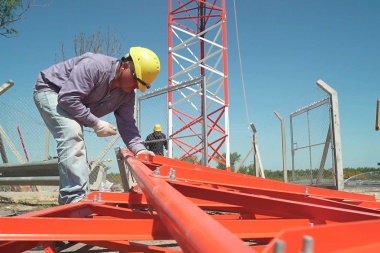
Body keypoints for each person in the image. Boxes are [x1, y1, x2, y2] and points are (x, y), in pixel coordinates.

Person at [33, 46, 160, 205]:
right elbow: (68, 99)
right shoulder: (94, 66)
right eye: (136, 80)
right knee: (72, 132)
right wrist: (96, 123)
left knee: (77, 138)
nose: (136, 86)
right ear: (125, 65)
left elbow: (127, 125)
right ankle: (73, 201)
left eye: (141, 85)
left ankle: (80, 197)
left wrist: (140, 150)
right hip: (52, 90)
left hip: (70, 100)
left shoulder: (126, 95)